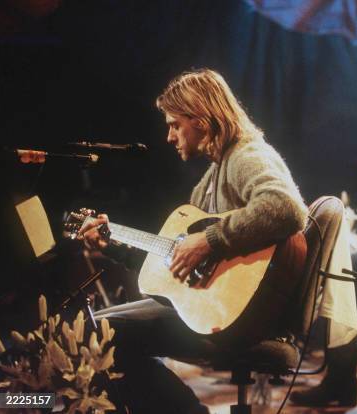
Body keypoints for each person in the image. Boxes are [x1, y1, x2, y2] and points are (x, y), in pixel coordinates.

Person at [79, 68, 308, 414]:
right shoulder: (210, 178)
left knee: (100, 336)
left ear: (201, 119)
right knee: (92, 327)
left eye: (174, 124)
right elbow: (174, 264)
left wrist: (210, 240)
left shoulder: (247, 156)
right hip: (211, 309)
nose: (169, 136)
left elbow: (287, 208)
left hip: (246, 320)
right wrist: (114, 245)